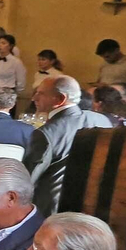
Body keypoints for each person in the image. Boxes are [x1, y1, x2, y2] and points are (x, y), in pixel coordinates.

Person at [22, 75, 112, 213]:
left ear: (60, 99)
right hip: (93, 205)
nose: (34, 98)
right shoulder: (102, 120)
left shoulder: (46, 133)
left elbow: (28, 179)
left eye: (40, 93)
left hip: (52, 208)